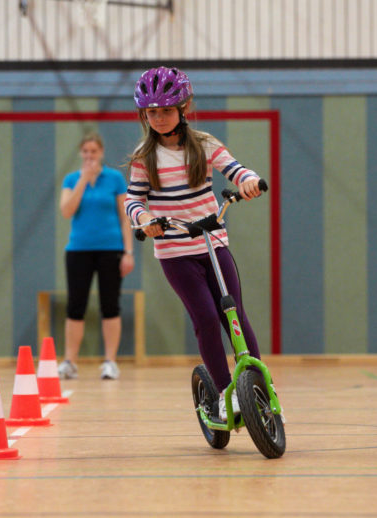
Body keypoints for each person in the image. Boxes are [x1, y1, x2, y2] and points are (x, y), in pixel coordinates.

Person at [125, 66, 264, 421]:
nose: (158, 118)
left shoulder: (204, 145)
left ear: (184, 108)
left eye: (166, 110)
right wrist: (144, 221)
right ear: (144, 114)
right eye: (151, 112)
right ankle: (222, 395)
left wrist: (248, 181)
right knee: (204, 317)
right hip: (174, 251)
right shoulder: (144, 157)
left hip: (213, 243)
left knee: (232, 314)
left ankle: (261, 388)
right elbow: (133, 201)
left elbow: (235, 169)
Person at [57, 132, 134, 380]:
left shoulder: (114, 178)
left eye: (94, 151)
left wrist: (128, 252)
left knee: (110, 305)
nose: (90, 156)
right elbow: (66, 211)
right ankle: (70, 361)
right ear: (81, 153)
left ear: (101, 152)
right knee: (75, 306)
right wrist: (83, 181)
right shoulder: (71, 179)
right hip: (78, 250)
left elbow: (125, 218)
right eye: (86, 151)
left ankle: (110, 361)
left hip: (111, 249)